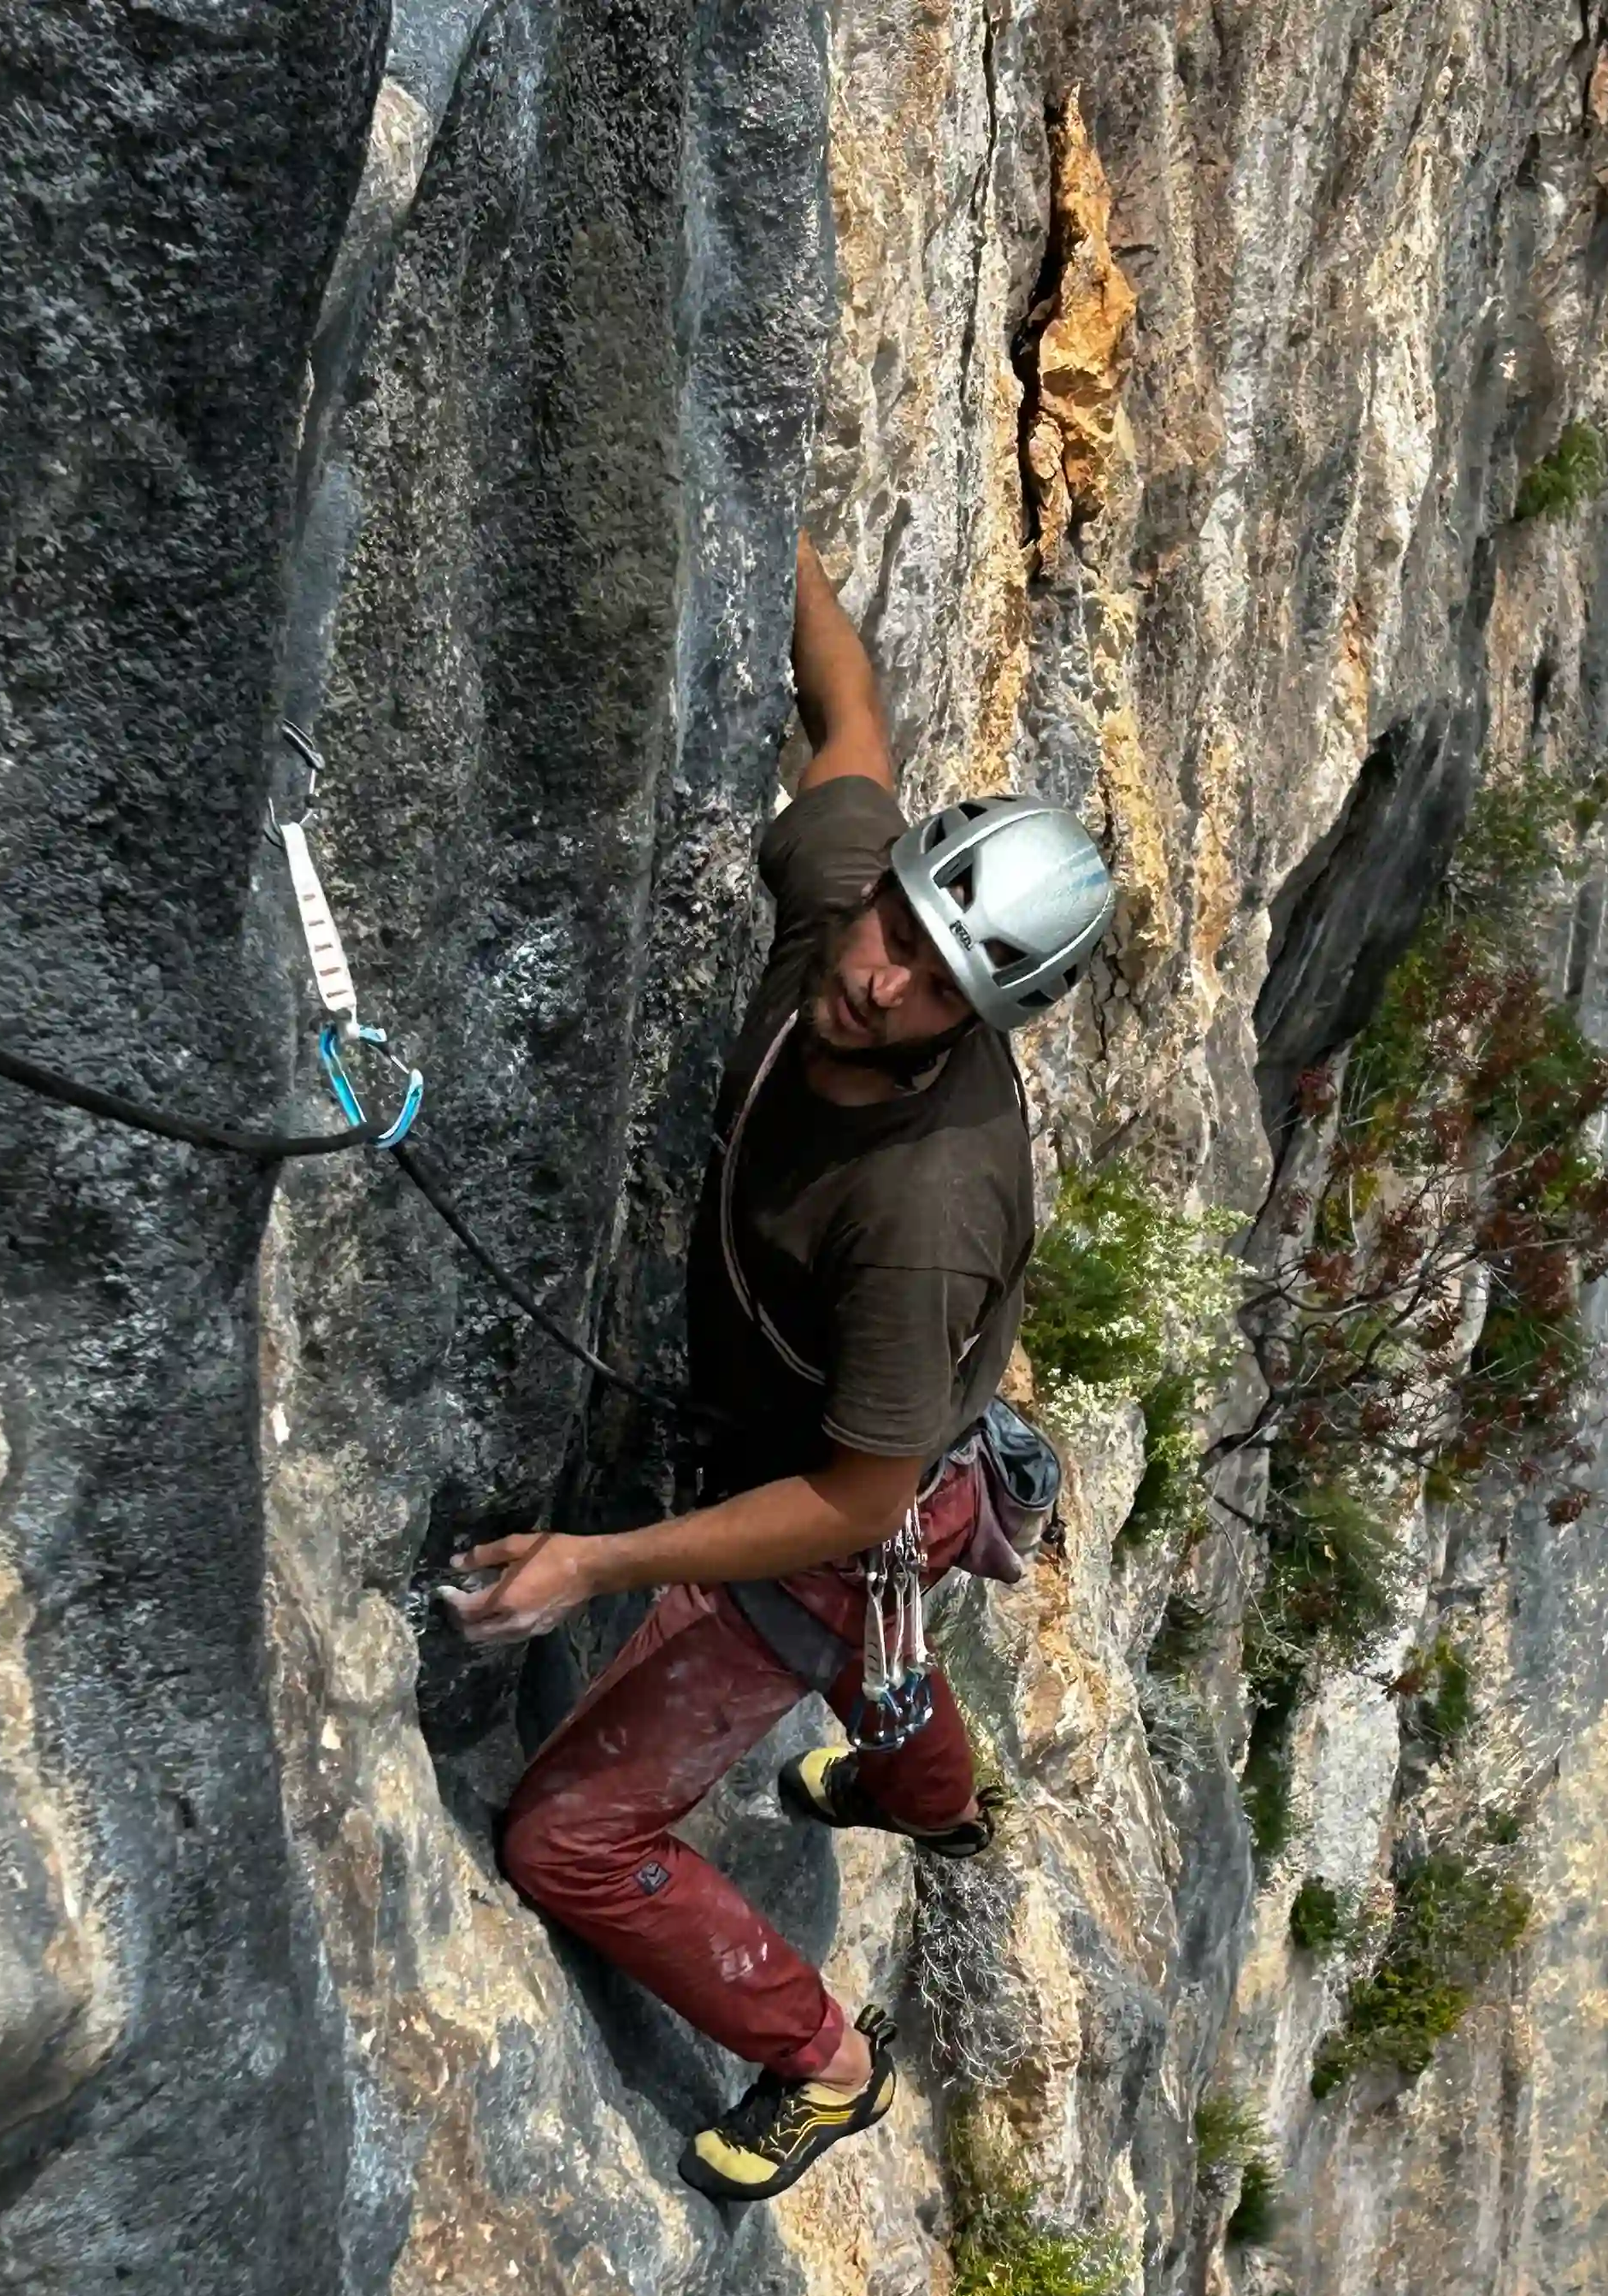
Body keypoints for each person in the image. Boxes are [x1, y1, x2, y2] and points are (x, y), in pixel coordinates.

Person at [444, 536, 1114, 2203]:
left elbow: (852, 1499)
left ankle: (824, 2062)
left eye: (926, 985)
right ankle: (929, 1794)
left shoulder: (925, 1209)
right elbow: (852, 710)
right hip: (898, 1471)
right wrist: (782, 543)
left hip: (842, 1513)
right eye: (891, 920)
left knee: (568, 1841)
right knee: (894, 1634)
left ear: (980, 1023)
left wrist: (600, 1564)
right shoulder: (848, 905)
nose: (873, 974)